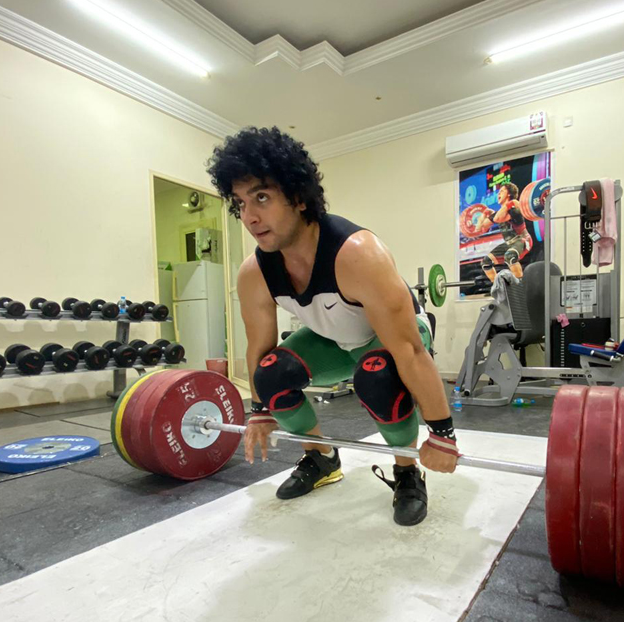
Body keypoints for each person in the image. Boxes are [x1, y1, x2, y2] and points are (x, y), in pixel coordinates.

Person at [207, 127, 456, 526]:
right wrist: (258, 409)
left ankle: (407, 469)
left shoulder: (358, 254)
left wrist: (443, 434)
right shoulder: (255, 272)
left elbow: (408, 351)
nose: (250, 217)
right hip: (333, 340)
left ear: (299, 197)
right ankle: (321, 458)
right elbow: (258, 348)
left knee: (377, 377)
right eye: (241, 203)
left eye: (262, 197)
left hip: (392, 338)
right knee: (269, 375)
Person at [473, 183, 533, 282]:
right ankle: (499, 287)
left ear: (509, 194)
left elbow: (497, 218)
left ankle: (520, 286)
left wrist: (509, 204)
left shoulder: (514, 208)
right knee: (486, 263)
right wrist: (484, 214)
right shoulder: (499, 212)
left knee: (510, 256)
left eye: (501, 191)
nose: (498, 194)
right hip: (509, 244)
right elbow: (480, 229)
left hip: (523, 239)